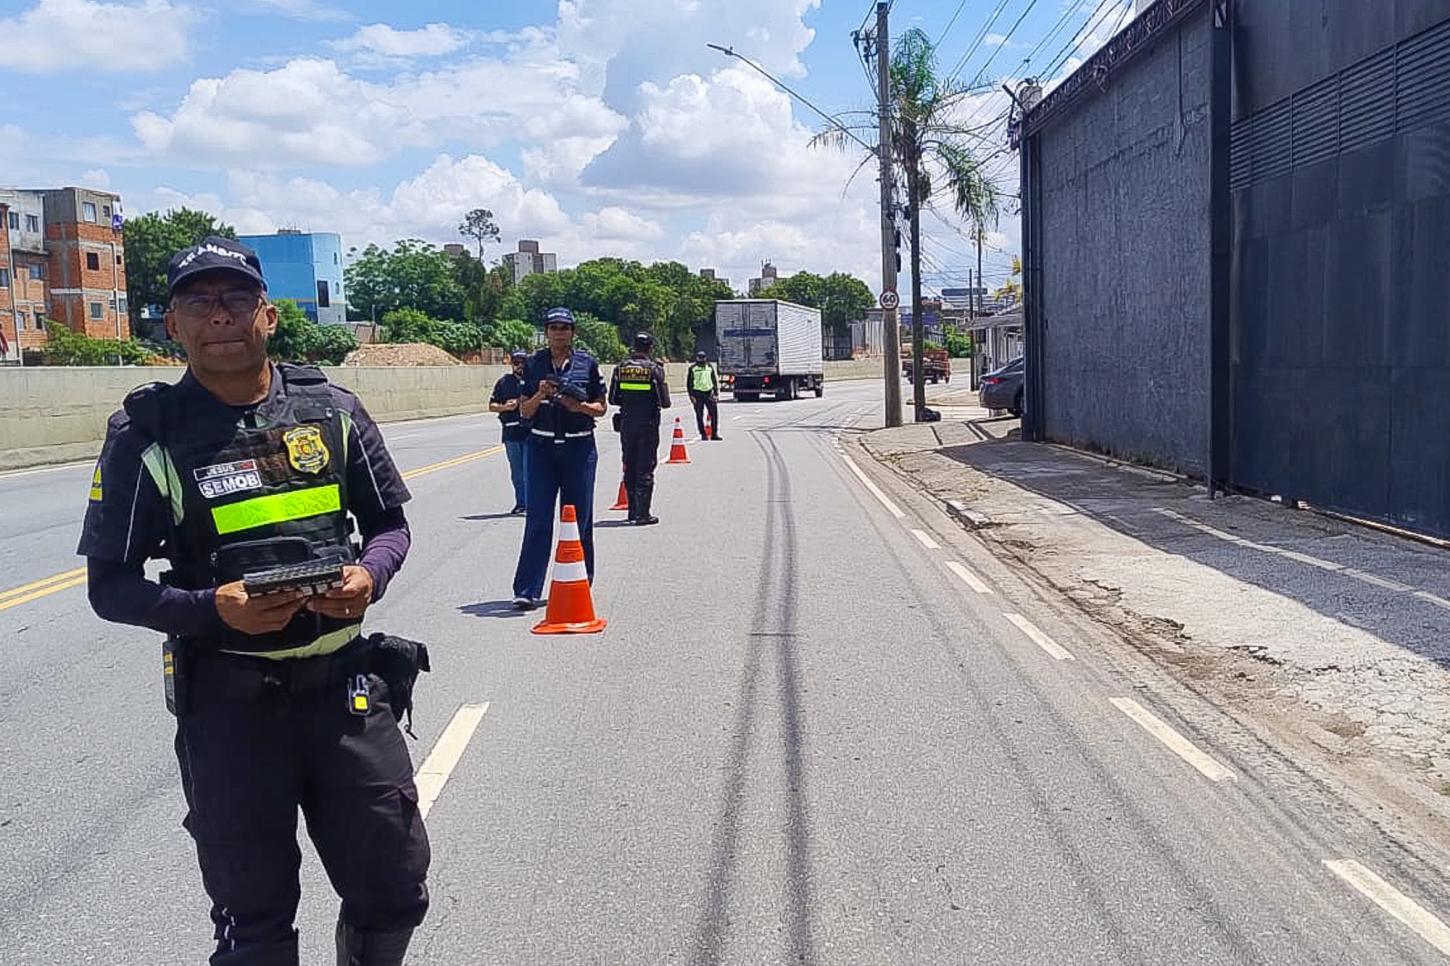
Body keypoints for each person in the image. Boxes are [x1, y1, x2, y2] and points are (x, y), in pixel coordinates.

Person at [78, 236, 429, 966]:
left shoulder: (329, 409)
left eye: (237, 299)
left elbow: (390, 524)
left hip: (345, 696)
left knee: (394, 891)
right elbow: (109, 588)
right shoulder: (146, 438)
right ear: (171, 325)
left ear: (267, 315)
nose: (221, 316)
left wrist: (371, 575)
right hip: (232, 710)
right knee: (255, 924)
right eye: (198, 302)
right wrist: (212, 609)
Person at [512, 307, 607, 609]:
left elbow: (601, 408)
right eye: (553, 327)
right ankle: (527, 589)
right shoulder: (533, 364)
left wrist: (576, 406)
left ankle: (580, 579)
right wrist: (541, 394)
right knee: (538, 518)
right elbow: (524, 411)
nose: (558, 332)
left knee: (581, 518)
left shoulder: (587, 364)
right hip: (541, 448)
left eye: (564, 327)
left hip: (579, 448)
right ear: (546, 332)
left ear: (573, 332)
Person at [608, 332, 671, 525]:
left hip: (627, 422)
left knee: (629, 464)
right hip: (648, 424)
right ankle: (643, 513)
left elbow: (612, 398)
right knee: (645, 466)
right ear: (650, 347)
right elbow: (665, 402)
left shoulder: (620, 368)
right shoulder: (654, 369)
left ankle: (632, 511)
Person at [489, 349, 531, 514]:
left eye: (523, 362)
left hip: (530, 432)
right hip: (511, 434)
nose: (519, 365)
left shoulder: (534, 381)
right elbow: (492, 405)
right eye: (516, 362)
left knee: (531, 471)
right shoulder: (504, 382)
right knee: (517, 472)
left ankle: (533, 503)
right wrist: (506, 407)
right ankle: (521, 503)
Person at [686, 350, 722, 440]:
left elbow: (713, 380)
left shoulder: (709, 367)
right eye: (700, 357)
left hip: (709, 393)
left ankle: (714, 434)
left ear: (705, 358)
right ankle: (703, 434)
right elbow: (689, 383)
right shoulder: (693, 368)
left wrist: (716, 393)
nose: (702, 359)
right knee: (699, 415)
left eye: (703, 357)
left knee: (714, 414)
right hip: (697, 394)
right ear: (697, 358)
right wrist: (691, 395)